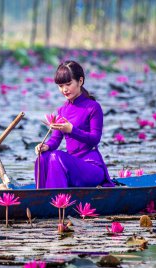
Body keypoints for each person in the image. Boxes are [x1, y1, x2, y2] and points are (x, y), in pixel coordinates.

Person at [34, 60, 114, 188]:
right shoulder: (62, 111)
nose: (64, 89)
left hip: (91, 167)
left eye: (68, 84)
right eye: (60, 86)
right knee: (42, 158)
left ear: (80, 81)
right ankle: (42, 198)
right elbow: (55, 139)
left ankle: (58, 200)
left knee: (56, 156)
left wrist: (72, 130)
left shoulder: (93, 107)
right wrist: (46, 146)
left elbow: (95, 139)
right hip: (72, 165)